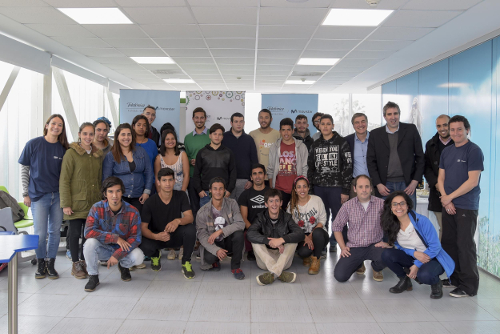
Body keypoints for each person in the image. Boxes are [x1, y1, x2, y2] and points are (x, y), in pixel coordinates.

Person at [438, 115, 483, 298]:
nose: (455, 133)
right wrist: (445, 198)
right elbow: (440, 178)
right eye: (453, 129)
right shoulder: (447, 152)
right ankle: (453, 278)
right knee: (448, 243)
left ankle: (469, 286)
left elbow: (472, 182)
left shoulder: (473, 151)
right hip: (448, 204)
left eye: (459, 129)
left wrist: (449, 198)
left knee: (464, 245)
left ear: (467, 130)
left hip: (465, 205)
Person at [18, 114, 68, 279]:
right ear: (47, 125)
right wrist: (25, 193)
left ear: (62, 129)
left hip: (58, 196)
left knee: (54, 232)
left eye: (60, 125)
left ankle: (51, 264)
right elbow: (25, 169)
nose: (56, 127)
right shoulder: (33, 144)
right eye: (53, 123)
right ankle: (41, 264)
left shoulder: (63, 149)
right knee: (40, 232)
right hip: (38, 196)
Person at [380, 191, 455, 299]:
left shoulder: (421, 221)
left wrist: (417, 265)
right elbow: (400, 247)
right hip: (414, 256)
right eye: (395, 204)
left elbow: (435, 247)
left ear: (408, 205)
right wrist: (414, 253)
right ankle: (404, 280)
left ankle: (436, 283)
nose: (399, 207)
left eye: (402, 203)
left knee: (424, 276)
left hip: (433, 258)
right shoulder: (392, 224)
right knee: (386, 254)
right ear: (390, 207)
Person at [83, 177, 144, 292]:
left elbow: (136, 238)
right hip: (104, 248)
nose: (114, 195)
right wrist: (115, 238)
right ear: (105, 193)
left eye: (118, 191)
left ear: (122, 192)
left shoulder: (132, 211)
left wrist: (117, 255)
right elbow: (88, 231)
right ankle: (93, 276)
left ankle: (124, 266)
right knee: (89, 243)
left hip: (122, 249)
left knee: (139, 256)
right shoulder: (96, 208)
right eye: (110, 191)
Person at [60, 122, 104, 280]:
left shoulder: (98, 155)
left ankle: (85, 261)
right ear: (79, 134)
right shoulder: (71, 154)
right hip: (75, 203)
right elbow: (64, 179)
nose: (88, 137)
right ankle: (75, 263)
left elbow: (99, 179)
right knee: (74, 233)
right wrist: (65, 203)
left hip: (93, 203)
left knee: (88, 235)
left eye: (91, 134)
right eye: (85, 134)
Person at [139, 168, 196, 278]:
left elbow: (190, 218)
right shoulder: (150, 202)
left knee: (190, 229)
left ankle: (186, 262)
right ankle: (155, 255)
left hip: (174, 235)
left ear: (174, 181)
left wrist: (177, 221)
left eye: (170, 180)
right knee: (141, 240)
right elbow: (143, 228)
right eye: (164, 180)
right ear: (158, 182)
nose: (168, 183)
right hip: (157, 237)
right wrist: (156, 236)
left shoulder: (181, 196)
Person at [307, 114, 352, 252]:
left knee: (339, 219)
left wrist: (345, 190)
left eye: (328, 124)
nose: (325, 126)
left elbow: (348, 166)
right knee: (322, 219)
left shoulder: (342, 142)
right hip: (319, 188)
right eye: (322, 124)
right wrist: (311, 190)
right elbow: (310, 168)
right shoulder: (315, 144)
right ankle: (322, 246)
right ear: (319, 126)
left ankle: (342, 247)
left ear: (333, 125)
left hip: (337, 188)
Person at [367, 101, 425, 205]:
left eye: (395, 113)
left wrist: (415, 181)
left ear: (399, 114)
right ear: (384, 116)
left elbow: (420, 157)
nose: (393, 117)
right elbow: (371, 161)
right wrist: (378, 184)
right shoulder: (375, 134)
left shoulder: (411, 130)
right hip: (384, 186)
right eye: (389, 114)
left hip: (407, 185)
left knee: (409, 217)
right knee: (385, 218)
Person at [332, 175, 387, 283]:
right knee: (340, 276)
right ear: (355, 189)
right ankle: (358, 263)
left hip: (375, 245)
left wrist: (388, 243)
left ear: (371, 188)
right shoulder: (348, 206)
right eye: (360, 187)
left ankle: (376, 268)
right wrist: (343, 247)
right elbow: (336, 227)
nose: (364, 190)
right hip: (355, 246)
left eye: (367, 186)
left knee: (388, 255)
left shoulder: (382, 204)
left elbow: (392, 225)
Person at [247, 189, 304, 286]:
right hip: (265, 260)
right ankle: (279, 273)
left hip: (283, 259)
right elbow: (250, 233)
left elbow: (300, 233)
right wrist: (268, 241)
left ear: (281, 203)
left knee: (293, 240)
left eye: (277, 201)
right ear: (266, 204)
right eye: (271, 201)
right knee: (255, 241)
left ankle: (273, 273)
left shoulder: (287, 217)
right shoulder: (261, 217)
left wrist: (281, 240)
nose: (274, 204)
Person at [196, 177, 246, 280]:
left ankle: (235, 267)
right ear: (210, 190)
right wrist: (216, 250)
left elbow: (241, 224)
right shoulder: (202, 212)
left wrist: (220, 231)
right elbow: (201, 235)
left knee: (239, 234)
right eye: (215, 188)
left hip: (228, 240)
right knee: (209, 258)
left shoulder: (232, 203)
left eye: (220, 188)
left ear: (224, 190)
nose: (218, 192)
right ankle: (215, 260)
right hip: (213, 242)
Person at [102, 123, 154, 214]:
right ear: (117, 137)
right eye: (123, 134)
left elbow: (149, 172)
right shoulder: (111, 155)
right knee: (121, 225)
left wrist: (147, 191)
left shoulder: (141, 151)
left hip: (139, 196)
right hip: (119, 197)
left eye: (129, 134)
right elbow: (107, 178)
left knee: (137, 223)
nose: (126, 137)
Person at [287, 176, 328, 275]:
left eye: (304, 186)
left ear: (308, 188)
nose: (302, 189)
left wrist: (310, 236)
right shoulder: (291, 205)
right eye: (299, 187)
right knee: (303, 252)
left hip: (319, 233)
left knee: (317, 233)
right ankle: (308, 256)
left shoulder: (317, 200)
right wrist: (304, 237)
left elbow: (322, 220)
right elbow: (290, 225)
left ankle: (316, 259)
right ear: (295, 189)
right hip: (302, 235)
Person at [192, 123, 237, 208]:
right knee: (205, 221)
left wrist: (229, 190)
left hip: (223, 193)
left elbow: (233, 173)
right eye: (215, 134)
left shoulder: (228, 153)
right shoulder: (202, 152)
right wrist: (199, 190)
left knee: (224, 220)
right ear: (210, 136)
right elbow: (196, 173)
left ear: (222, 137)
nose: (217, 136)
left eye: (220, 134)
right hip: (206, 194)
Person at [268, 118, 308, 211]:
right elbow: (270, 169)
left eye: (289, 130)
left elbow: (304, 168)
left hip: (296, 190)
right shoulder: (274, 147)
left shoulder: (301, 146)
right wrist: (272, 189)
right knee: (280, 218)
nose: (286, 133)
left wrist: (302, 188)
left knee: (296, 217)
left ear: (293, 131)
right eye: (283, 130)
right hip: (279, 190)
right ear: (280, 131)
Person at [424, 114, 454, 240]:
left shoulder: (459, 142)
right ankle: (444, 259)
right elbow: (426, 167)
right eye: (438, 126)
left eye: (445, 125)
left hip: (458, 193)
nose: (442, 128)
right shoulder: (430, 144)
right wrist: (436, 183)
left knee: (459, 229)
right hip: (438, 195)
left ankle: (459, 259)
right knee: (444, 229)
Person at [222, 112, 259, 201]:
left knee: (243, 207)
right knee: (227, 208)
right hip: (227, 180)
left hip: (244, 181)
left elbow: (254, 161)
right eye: (236, 121)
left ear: (244, 123)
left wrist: (251, 180)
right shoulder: (224, 138)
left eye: (241, 121)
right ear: (231, 123)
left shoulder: (249, 139)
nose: (239, 124)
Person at [238, 163, 270, 261]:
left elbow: (278, 214)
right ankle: (253, 250)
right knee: (245, 234)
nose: (257, 176)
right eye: (254, 174)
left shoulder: (272, 193)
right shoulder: (245, 195)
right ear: (251, 177)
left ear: (265, 176)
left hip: (269, 229)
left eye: (260, 173)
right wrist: (255, 231)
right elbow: (244, 218)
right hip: (252, 229)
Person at [184, 107, 211, 217]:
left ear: (205, 119)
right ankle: (196, 233)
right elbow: (185, 156)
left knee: (209, 209)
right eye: (196, 118)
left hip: (208, 178)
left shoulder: (212, 135)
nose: (199, 120)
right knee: (194, 207)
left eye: (201, 118)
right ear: (192, 119)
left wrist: (202, 161)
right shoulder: (188, 138)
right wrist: (190, 161)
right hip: (192, 177)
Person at [249, 109, 281, 184]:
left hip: (274, 176)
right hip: (257, 177)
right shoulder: (252, 134)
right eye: (261, 117)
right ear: (258, 119)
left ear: (271, 119)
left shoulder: (278, 134)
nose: (263, 120)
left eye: (266, 117)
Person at [345, 113, 371, 198]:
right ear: (353, 125)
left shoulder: (375, 138)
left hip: (374, 182)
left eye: (363, 121)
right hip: (355, 183)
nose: (360, 125)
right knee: (355, 210)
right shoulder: (347, 141)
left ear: (367, 123)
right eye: (357, 122)